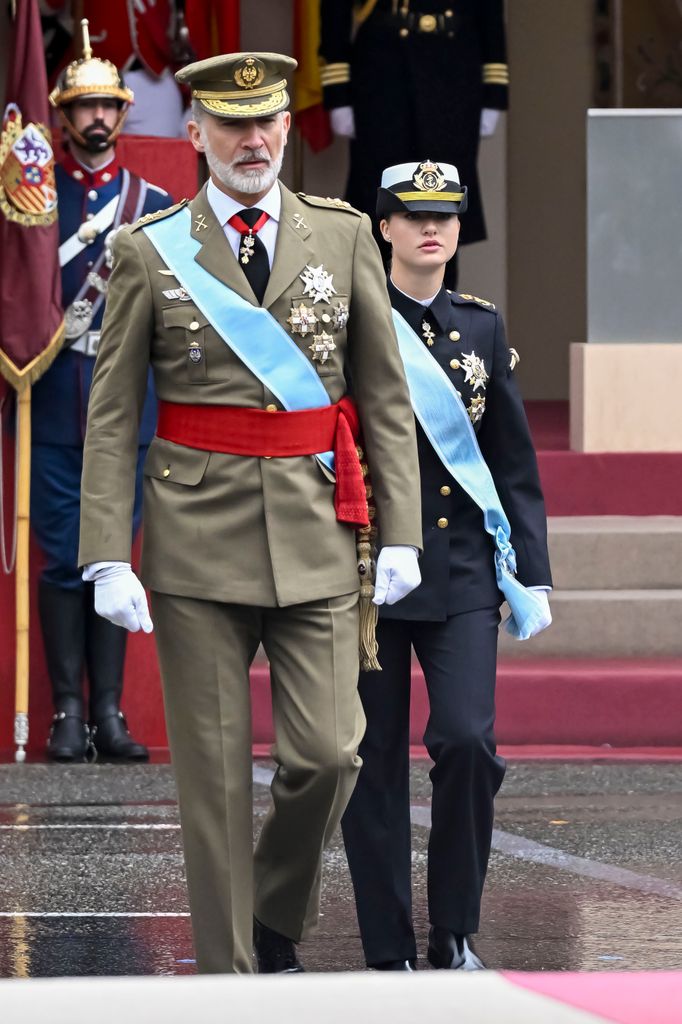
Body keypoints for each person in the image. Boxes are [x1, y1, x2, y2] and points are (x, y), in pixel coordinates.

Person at [77, 52, 423, 974]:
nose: (255, 139)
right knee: (216, 785)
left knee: (330, 755)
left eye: (267, 121)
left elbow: (384, 399)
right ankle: (231, 980)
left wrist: (402, 531)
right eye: (232, 125)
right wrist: (107, 553)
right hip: (195, 539)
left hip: (317, 531)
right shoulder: (150, 249)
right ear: (196, 134)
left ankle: (273, 908)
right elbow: (111, 418)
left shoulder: (343, 236)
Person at [341, 160, 552, 971]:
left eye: (448, 217)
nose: (433, 229)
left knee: (467, 741)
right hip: (369, 571)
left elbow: (513, 460)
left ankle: (455, 929)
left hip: (462, 569)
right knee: (374, 759)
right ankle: (387, 945)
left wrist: (530, 570)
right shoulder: (357, 320)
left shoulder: (482, 327)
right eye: (414, 215)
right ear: (383, 227)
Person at [31, 20, 173, 762]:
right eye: (81, 107)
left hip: (129, 401)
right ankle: (64, 713)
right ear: (61, 114)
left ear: (122, 113)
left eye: (106, 106)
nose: (95, 119)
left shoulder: (153, 204)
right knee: (60, 554)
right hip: (54, 396)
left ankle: (110, 714)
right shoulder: (35, 199)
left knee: (114, 551)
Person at [319, 0, 509, 289]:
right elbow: (336, 9)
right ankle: (377, 321)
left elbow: (491, 11)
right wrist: (337, 91)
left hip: (455, 70)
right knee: (379, 207)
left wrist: (495, 90)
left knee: (444, 203)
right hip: (383, 74)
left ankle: (438, 323)